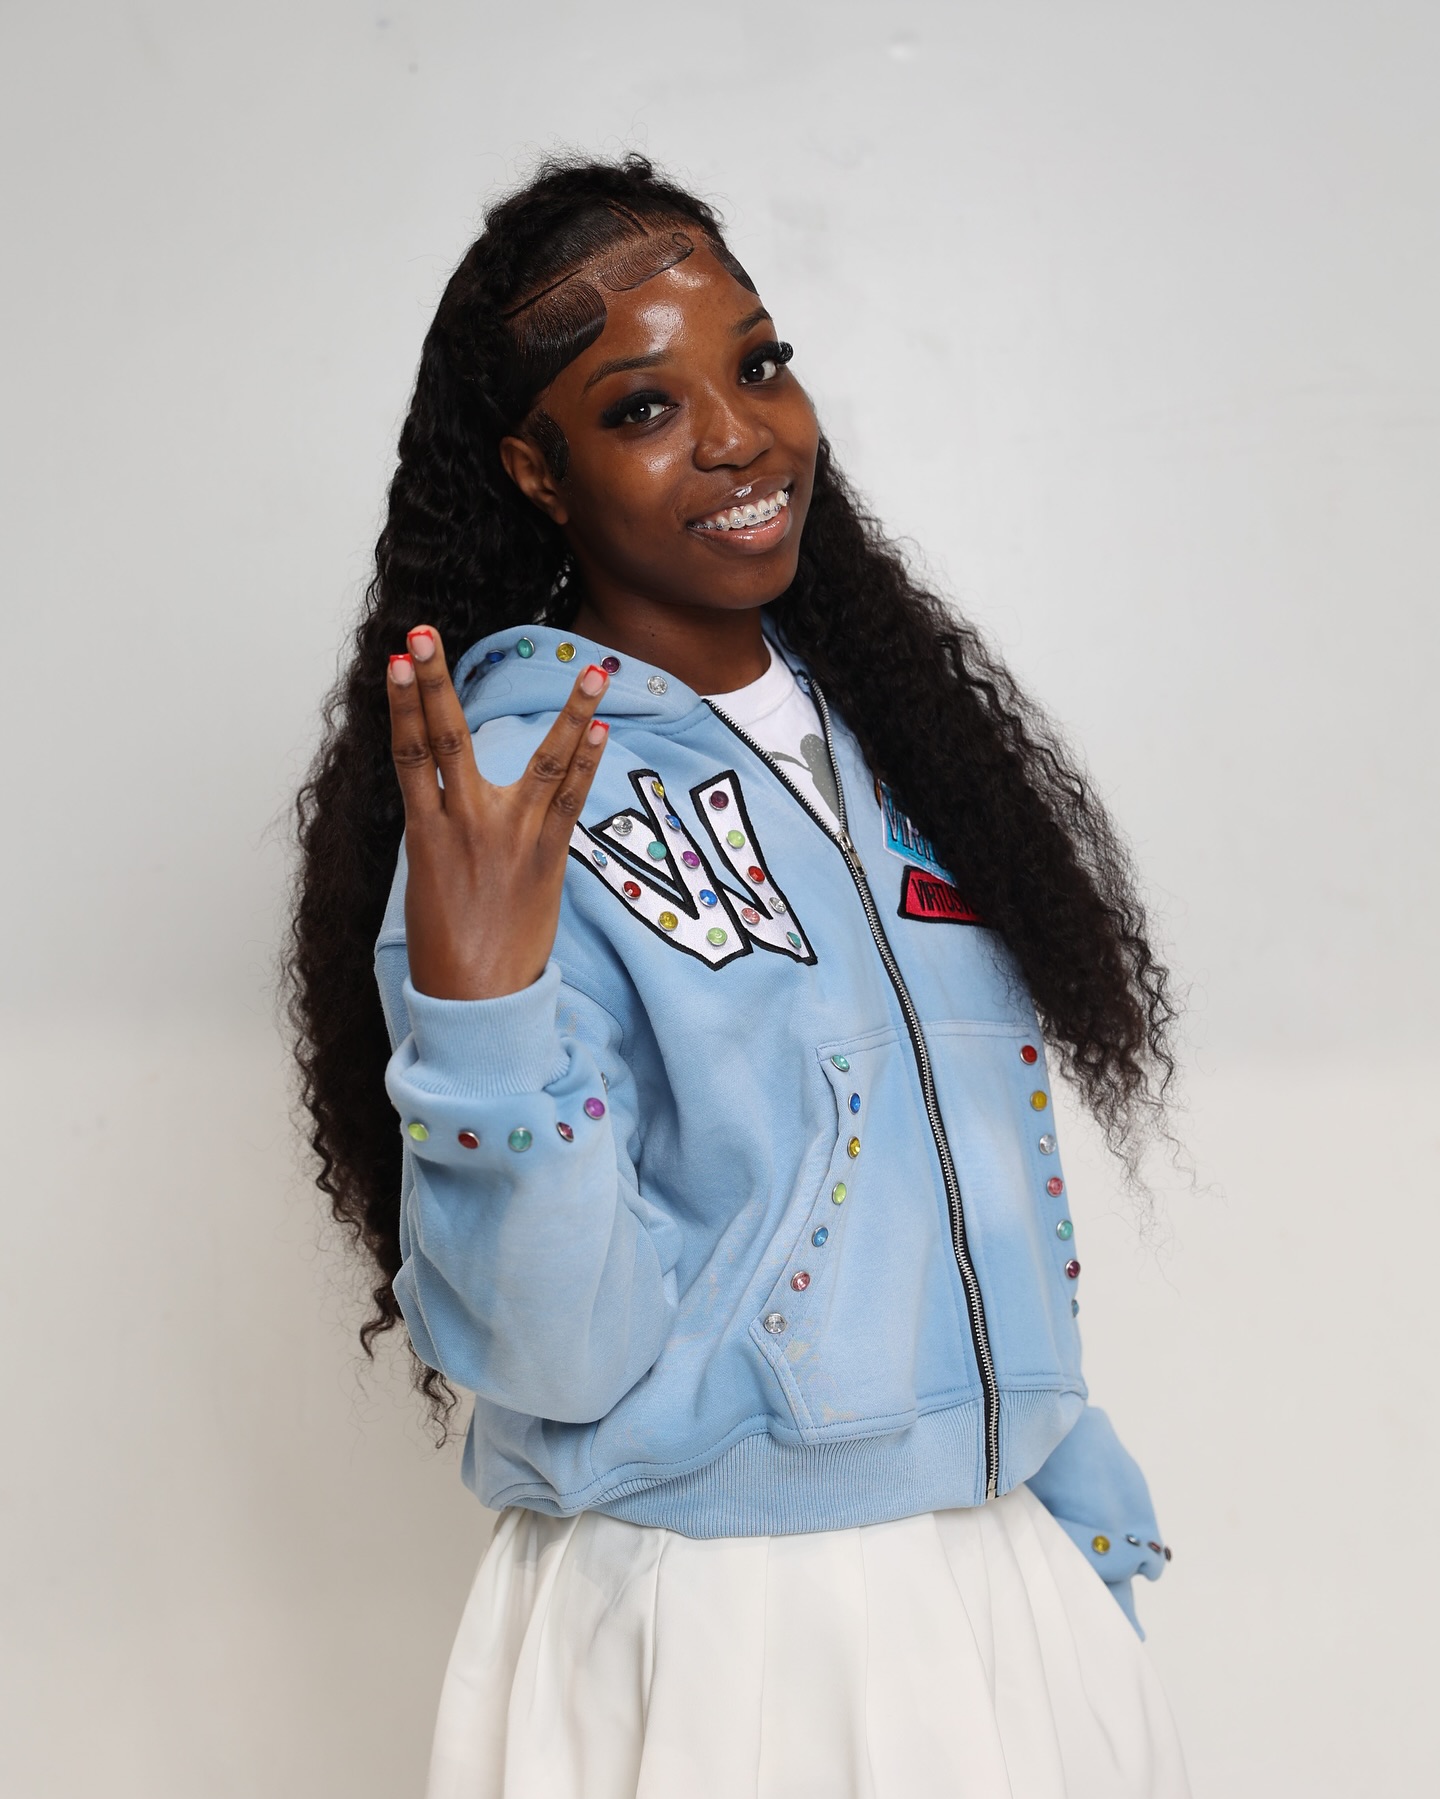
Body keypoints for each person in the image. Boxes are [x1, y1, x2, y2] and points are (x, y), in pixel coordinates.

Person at [290, 154, 1191, 1798]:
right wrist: (480, 1024)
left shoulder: (899, 754)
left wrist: (1067, 1475)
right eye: (642, 408)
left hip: (1004, 1571)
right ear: (537, 472)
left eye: (759, 363)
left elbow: (959, 1180)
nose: (737, 437)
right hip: (729, 1625)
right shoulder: (516, 802)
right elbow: (553, 1360)